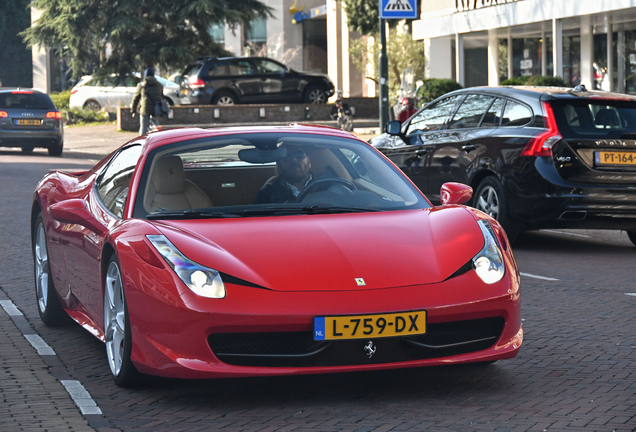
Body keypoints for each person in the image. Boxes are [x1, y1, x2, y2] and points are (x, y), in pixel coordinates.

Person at [131, 67, 163, 135]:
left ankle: (142, 142)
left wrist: (133, 109)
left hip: (145, 109)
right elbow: (161, 97)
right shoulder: (159, 85)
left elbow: (136, 98)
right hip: (156, 109)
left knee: (143, 128)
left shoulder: (141, 85)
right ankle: (159, 140)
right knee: (157, 128)